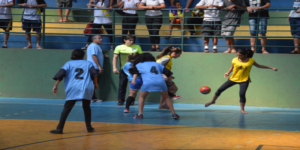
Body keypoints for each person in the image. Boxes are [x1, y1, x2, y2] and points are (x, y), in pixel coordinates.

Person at [205, 48, 278, 114]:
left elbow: (259, 66)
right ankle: (213, 101)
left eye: (240, 55)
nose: (238, 56)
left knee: (242, 94)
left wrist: (271, 67)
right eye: (237, 55)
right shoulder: (234, 59)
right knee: (220, 89)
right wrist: (227, 73)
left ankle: (242, 109)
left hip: (244, 80)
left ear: (245, 55)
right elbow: (231, 67)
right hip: (234, 79)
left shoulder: (251, 61)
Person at [50, 49, 99, 134]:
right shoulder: (89, 63)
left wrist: (55, 85)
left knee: (67, 108)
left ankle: (59, 128)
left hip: (73, 87)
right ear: (83, 56)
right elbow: (95, 74)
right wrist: (95, 84)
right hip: (86, 87)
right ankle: (89, 127)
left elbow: (61, 74)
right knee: (86, 107)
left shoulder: (68, 64)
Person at [129, 53, 180, 119]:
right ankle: (174, 114)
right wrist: (169, 80)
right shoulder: (158, 64)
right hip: (161, 82)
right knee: (167, 97)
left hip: (148, 83)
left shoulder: (140, 64)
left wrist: (134, 80)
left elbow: (134, 72)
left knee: (141, 97)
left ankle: (140, 114)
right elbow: (168, 72)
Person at [113, 34, 143, 105]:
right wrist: (114, 67)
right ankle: (121, 100)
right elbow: (115, 57)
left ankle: (131, 100)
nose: (131, 42)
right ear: (125, 40)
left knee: (133, 85)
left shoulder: (137, 47)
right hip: (123, 69)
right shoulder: (119, 47)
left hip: (134, 70)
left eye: (132, 40)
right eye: (130, 40)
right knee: (122, 85)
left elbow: (141, 57)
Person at [86, 35, 108, 102]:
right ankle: (90, 98)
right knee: (92, 83)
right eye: (99, 38)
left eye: (101, 38)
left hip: (93, 67)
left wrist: (102, 55)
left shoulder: (95, 46)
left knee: (93, 82)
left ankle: (93, 97)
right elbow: (93, 56)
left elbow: (89, 55)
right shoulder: (94, 46)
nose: (101, 39)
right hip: (94, 67)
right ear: (94, 39)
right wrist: (99, 66)